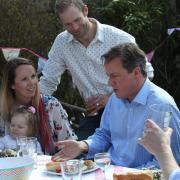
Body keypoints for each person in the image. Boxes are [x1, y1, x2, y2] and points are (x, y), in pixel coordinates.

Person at [52, 43, 180, 169]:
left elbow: (169, 162)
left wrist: (128, 176)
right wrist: (83, 145)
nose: (109, 82)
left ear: (136, 73)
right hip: (108, 171)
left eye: (114, 75)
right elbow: (104, 135)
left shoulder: (163, 106)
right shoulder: (115, 99)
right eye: (108, 76)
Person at [39, 0, 154, 139]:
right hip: (94, 115)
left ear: (85, 10)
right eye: (67, 24)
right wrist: (29, 106)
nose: (75, 27)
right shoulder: (61, 43)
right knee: (77, 156)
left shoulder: (117, 37)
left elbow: (146, 72)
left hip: (127, 108)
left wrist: (112, 98)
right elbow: (48, 81)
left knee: (123, 156)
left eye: (77, 20)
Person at [0, 57, 77, 155]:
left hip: (50, 165)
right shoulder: (3, 110)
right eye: (24, 79)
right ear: (12, 85)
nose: (32, 83)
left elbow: (69, 143)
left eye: (33, 76)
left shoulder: (51, 104)